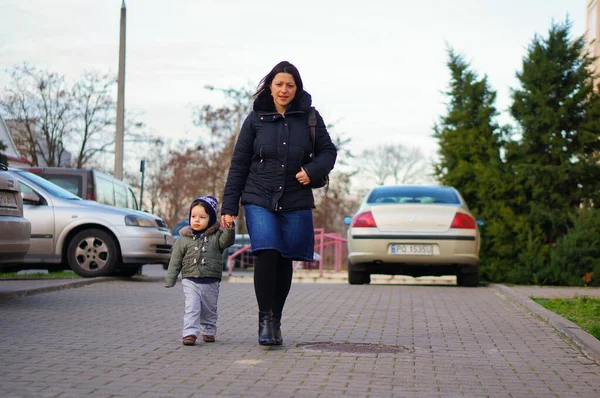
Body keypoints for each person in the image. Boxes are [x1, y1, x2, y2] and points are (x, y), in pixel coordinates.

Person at [221, 61, 337, 346]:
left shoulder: (310, 117)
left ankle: (276, 320)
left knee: (285, 257)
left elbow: (328, 152)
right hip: (258, 195)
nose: (284, 90)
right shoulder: (255, 119)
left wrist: (312, 171)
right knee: (267, 252)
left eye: (290, 85)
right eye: (279, 84)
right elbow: (238, 164)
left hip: (295, 198)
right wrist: (229, 206)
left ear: (297, 88)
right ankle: (264, 320)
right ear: (270, 86)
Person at [165, 195, 235, 346]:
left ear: (210, 219)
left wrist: (229, 227)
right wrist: (170, 279)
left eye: (202, 217)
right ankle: (190, 332)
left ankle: (209, 329)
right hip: (190, 279)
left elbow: (228, 241)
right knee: (192, 306)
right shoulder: (183, 239)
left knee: (209, 308)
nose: (196, 220)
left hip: (211, 279)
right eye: (193, 216)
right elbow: (175, 260)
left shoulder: (217, 237)